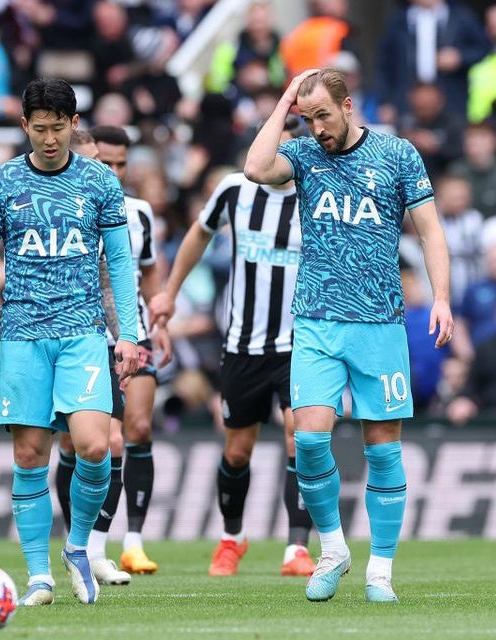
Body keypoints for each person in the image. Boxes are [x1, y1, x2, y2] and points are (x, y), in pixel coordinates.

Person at [243, 68, 454, 603]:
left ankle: (380, 569)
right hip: (315, 320)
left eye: (323, 116)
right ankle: (333, 550)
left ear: (348, 106)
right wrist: (285, 100)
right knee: (309, 441)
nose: (317, 128)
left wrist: (442, 298)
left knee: (383, 450)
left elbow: (430, 230)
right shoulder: (303, 155)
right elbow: (255, 166)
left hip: (380, 324)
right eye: (306, 118)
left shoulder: (398, 154)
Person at [0, 78, 141, 607]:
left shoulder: (100, 184)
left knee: (94, 445)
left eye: (58, 128)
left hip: (84, 333)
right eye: (39, 129)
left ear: (74, 124)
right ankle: (39, 575)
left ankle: (78, 546)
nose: (49, 139)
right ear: (24, 126)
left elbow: (121, 263)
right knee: (30, 454)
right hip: (22, 335)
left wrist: (127, 332)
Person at [150, 115, 317, 578]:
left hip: (301, 343)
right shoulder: (234, 189)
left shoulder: (316, 197)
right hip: (243, 343)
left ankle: (296, 548)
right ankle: (233, 536)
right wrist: (169, 291)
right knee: (237, 450)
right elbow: (198, 235)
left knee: (300, 440)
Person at [56, 125, 171, 585]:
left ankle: (126, 543)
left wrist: (160, 321)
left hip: (132, 333)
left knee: (134, 431)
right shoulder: (68, 206)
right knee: (80, 445)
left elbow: (148, 269)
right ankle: (79, 540)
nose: (115, 172)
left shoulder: (139, 213)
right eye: (107, 163)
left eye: (122, 164)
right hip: (84, 338)